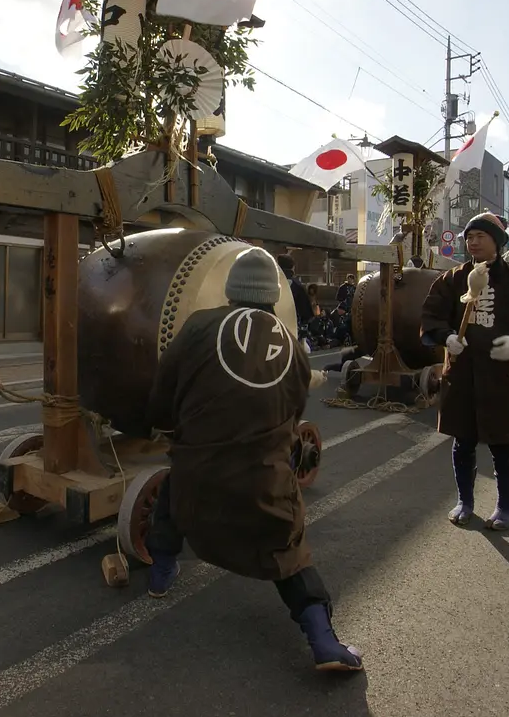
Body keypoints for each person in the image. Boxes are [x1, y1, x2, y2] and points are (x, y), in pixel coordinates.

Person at [145, 247, 363, 672]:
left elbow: (162, 392)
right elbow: (292, 416)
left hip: (198, 469)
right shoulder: (292, 348)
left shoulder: (197, 327)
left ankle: (160, 573)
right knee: (288, 548)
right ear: (272, 295)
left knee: (174, 494)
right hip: (262, 480)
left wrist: (166, 427)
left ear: (230, 291)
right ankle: (323, 640)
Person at [420, 212, 509, 531]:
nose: (473, 242)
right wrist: (446, 337)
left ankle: (504, 506)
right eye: (469, 237)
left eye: (480, 236)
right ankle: (465, 501)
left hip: (501, 375)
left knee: (501, 444)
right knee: (462, 442)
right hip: (462, 373)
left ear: (497, 241)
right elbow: (431, 315)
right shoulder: (452, 279)